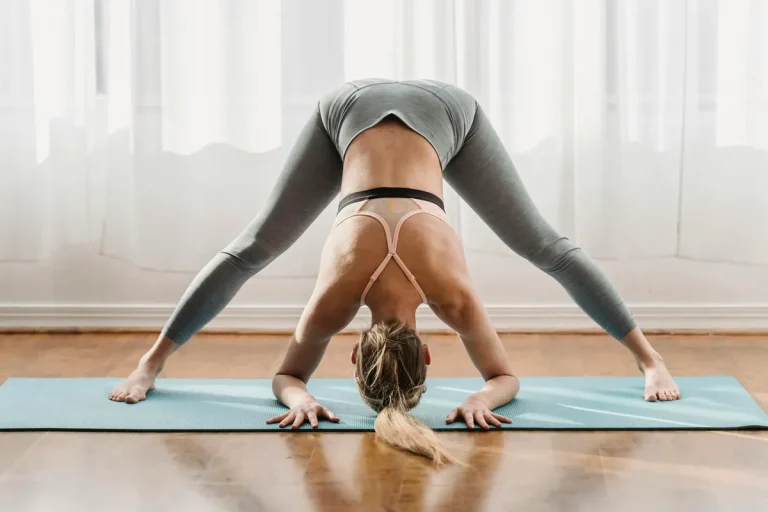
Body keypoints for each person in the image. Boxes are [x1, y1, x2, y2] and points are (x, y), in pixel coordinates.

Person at [109, 78, 680, 464]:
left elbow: (503, 380)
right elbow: (286, 378)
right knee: (546, 248)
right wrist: (298, 397)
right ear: (355, 352)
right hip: (368, 109)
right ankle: (649, 362)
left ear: (428, 352)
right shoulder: (336, 303)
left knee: (253, 248)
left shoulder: (450, 301)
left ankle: (147, 366)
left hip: (414, 111)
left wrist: (484, 397)